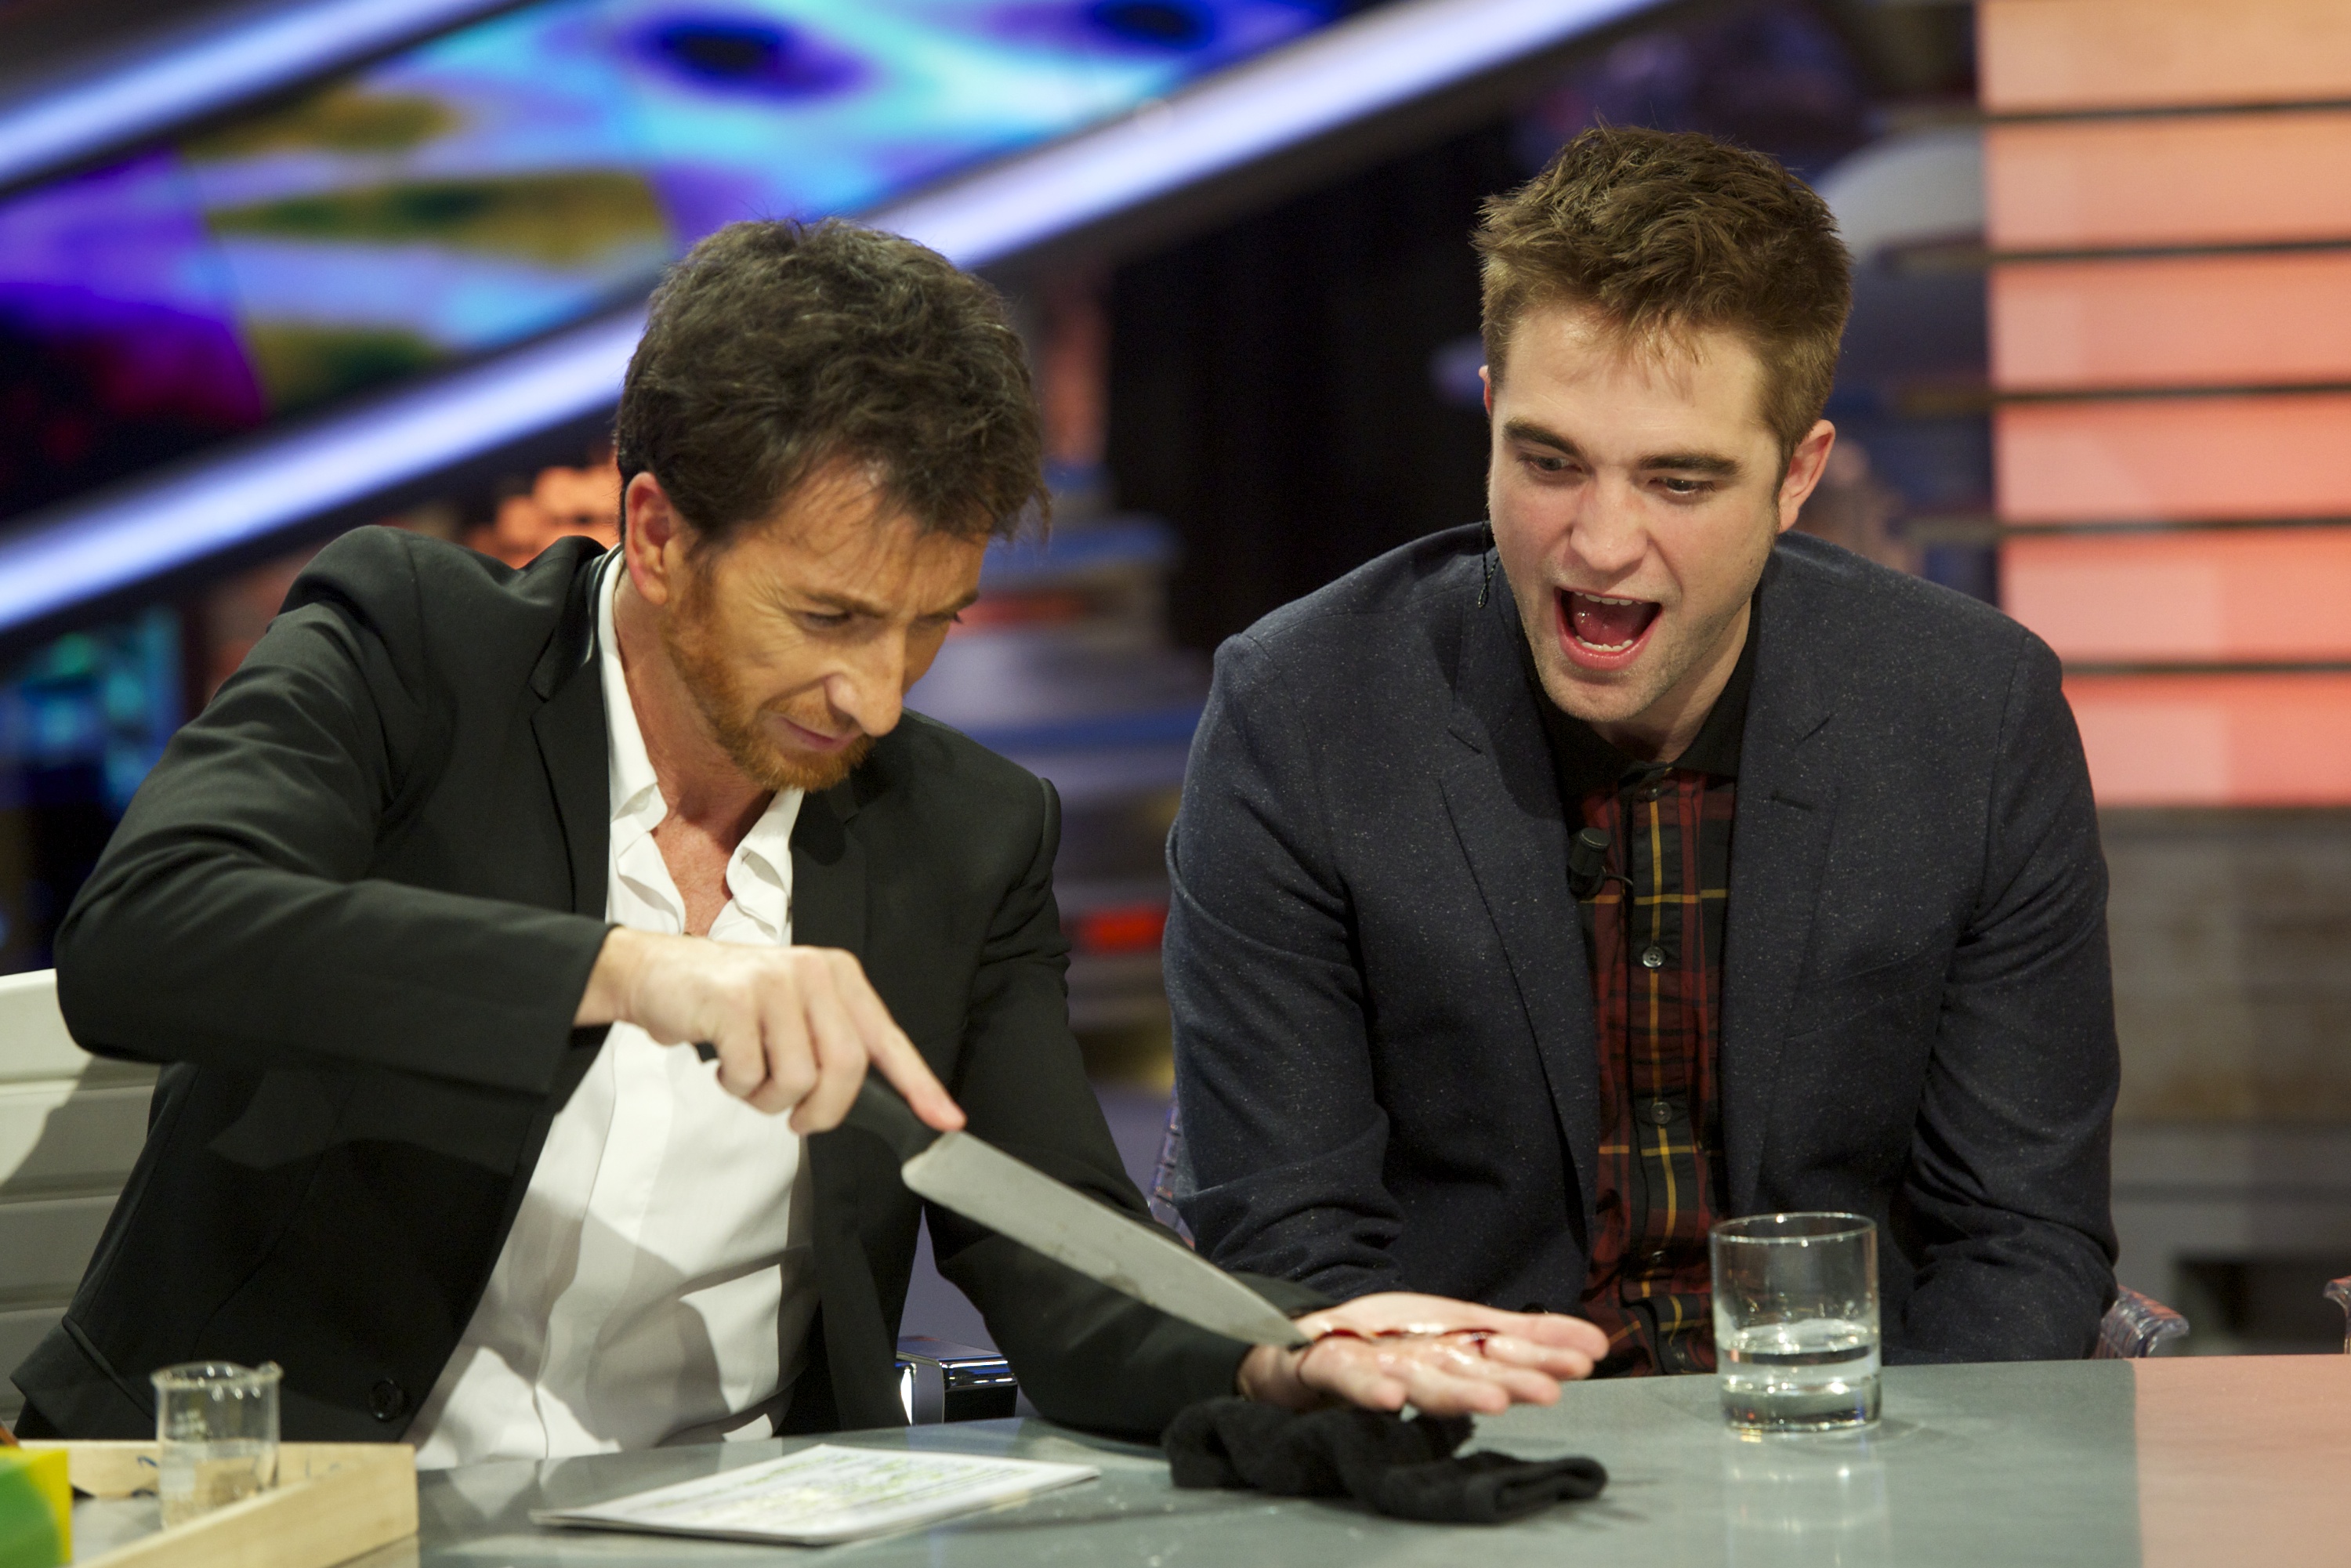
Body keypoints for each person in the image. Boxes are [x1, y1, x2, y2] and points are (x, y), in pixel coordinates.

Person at [13, 219, 1606, 1450]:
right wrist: (638, 970)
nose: (877, 693)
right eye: (830, 615)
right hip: (273, 1510)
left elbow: (1053, 1250)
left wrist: (1276, 1349)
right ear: (657, 532)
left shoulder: (962, 834)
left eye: (932, 623)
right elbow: (147, 933)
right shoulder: (416, 650)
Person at [1163, 128, 2119, 1374]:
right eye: (1550, 462)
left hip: (1861, 1437)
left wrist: (1905, 1477)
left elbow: (2019, 1236)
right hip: (1466, 1443)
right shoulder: (1301, 714)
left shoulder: (1972, 716)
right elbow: (1290, 1241)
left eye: (1679, 481)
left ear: (1797, 476)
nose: (1601, 544)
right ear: (1490, 418)